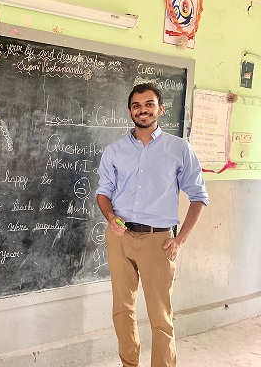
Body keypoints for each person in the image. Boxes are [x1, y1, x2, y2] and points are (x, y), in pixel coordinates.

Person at [95, 83, 208, 367]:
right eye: (136, 105)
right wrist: (110, 218)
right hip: (120, 237)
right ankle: (128, 364)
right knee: (122, 309)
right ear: (129, 110)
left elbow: (199, 197)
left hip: (159, 241)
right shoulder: (114, 150)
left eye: (148, 104)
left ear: (160, 109)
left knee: (161, 316)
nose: (142, 110)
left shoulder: (179, 149)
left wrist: (179, 239)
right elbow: (103, 192)